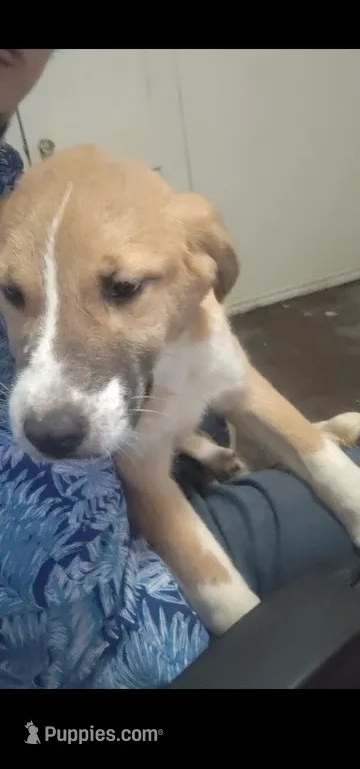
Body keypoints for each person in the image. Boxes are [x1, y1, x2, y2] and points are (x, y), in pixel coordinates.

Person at [0, 49, 358, 689]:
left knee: (245, 418)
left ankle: (201, 445)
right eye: (15, 295)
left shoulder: (23, 184)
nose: (50, 395)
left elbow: (246, 390)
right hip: (120, 622)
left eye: (119, 288)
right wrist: (259, 647)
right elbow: (148, 491)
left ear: (208, 271)